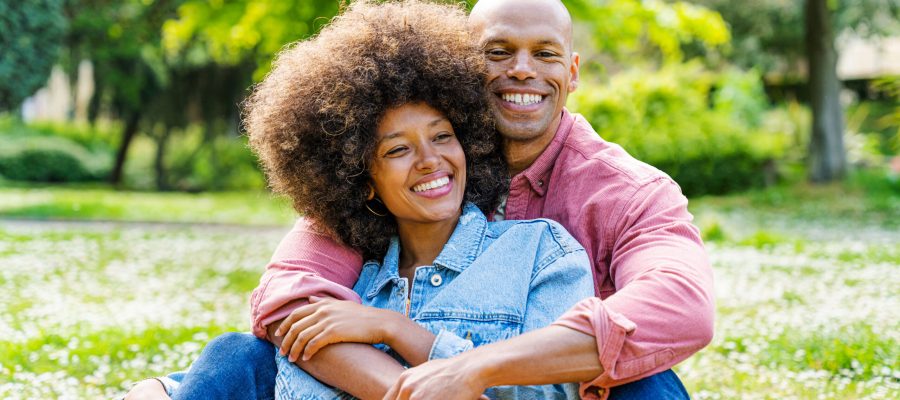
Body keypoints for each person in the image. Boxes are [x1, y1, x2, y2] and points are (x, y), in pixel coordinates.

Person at [128, 0, 714, 398]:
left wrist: (468, 368)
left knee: (645, 381)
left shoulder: (624, 192)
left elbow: (679, 309)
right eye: (498, 51)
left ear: (574, 69)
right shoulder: (392, 176)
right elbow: (289, 301)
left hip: (570, 387)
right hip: (401, 382)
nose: (522, 71)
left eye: (545, 53)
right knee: (238, 356)